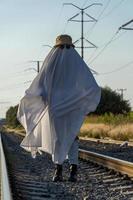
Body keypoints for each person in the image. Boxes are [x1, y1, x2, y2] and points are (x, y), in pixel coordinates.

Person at [17, 35, 101, 182]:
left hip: (56, 107)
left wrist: (42, 100)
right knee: (72, 137)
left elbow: (40, 87)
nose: (64, 50)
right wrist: (83, 102)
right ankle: (72, 169)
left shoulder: (51, 63)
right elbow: (91, 86)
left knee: (59, 139)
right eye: (64, 47)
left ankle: (59, 169)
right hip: (71, 107)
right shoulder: (76, 63)